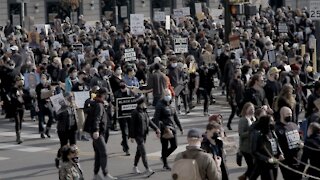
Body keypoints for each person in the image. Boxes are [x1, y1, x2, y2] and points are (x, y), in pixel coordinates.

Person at [82, 88, 117, 180]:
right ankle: (105, 174)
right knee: (104, 153)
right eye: (106, 95)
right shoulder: (99, 105)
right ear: (103, 95)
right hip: (98, 132)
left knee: (98, 153)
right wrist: (96, 130)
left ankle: (96, 174)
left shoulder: (95, 103)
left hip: (98, 131)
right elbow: (97, 118)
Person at [129, 94, 160, 176]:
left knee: (138, 151)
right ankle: (147, 169)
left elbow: (149, 122)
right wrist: (131, 136)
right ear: (141, 103)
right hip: (138, 135)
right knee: (143, 152)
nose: (146, 103)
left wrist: (156, 128)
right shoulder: (135, 112)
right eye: (144, 102)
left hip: (144, 135)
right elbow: (132, 125)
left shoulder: (144, 111)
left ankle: (134, 167)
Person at [153, 89, 183, 170]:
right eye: (166, 94)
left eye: (169, 94)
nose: (168, 96)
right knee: (164, 146)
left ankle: (163, 157)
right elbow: (156, 118)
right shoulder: (159, 105)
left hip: (172, 127)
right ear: (163, 95)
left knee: (174, 146)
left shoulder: (172, 103)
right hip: (164, 128)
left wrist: (180, 127)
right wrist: (157, 129)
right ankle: (165, 164)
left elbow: (175, 117)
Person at [250, 115, 284, 180]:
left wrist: (280, 154)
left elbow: (277, 144)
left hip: (275, 162)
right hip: (264, 165)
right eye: (271, 121)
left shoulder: (272, 132)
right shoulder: (257, 134)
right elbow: (254, 151)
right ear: (265, 123)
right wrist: (267, 159)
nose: (273, 122)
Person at [275, 107, 302, 180]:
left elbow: (300, 137)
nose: (290, 116)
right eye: (288, 114)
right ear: (282, 114)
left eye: (291, 114)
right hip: (286, 161)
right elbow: (276, 144)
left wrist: (301, 143)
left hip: (298, 159)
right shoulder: (277, 128)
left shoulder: (294, 125)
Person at [55, 93, 78, 169]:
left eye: (72, 97)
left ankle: (73, 159)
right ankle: (59, 158)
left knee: (73, 146)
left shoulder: (73, 105)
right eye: (69, 97)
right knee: (64, 146)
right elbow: (57, 118)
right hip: (63, 129)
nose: (71, 98)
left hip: (72, 129)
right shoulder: (61, 107)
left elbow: (76, 117)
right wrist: (63, 107)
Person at [113, 81, 134, 156]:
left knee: (130, 131)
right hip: (121, 116)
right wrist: (115, 107)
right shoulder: (116, 93)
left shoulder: (131, 92)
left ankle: (123, 142)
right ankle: (126, 148)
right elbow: (113, 102)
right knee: (124, 132)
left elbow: (135, 100)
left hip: (130, 115)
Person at [238, 102, 255, 180]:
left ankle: (243, 177)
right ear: (245, 109)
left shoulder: (252, 118)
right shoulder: (243, 119)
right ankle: (244, 177)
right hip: (245, 147)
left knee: (253, 166)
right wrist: (251, 132)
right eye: (250, 109)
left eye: (253, 109)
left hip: (252, 146)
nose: (252, 110)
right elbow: (241, 134)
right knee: (252, 166)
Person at [35, 73, 54, 138]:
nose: (43, 79)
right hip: (41, 103)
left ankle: (47, 130)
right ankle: (42, 132)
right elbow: (38, 96)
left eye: (44, 78)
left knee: (51, 116)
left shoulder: (49, 86)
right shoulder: (38, 86)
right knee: (41, 119)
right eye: (42, 78)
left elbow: (52, 94)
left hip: (48, 102)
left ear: (46, 79)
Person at [9, 76, 26, 144]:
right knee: (17, 121)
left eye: (21, 80)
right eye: (19, 80)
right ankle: (18, 137)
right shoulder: (13, 89)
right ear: (16, 81)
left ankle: (19, 134)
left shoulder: (22, 88)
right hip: (15, 107)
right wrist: (17, 98)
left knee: (20, 121)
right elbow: (12, 97)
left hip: (22, 107)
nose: (21, 81)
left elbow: (26, 96)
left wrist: (24, 96)